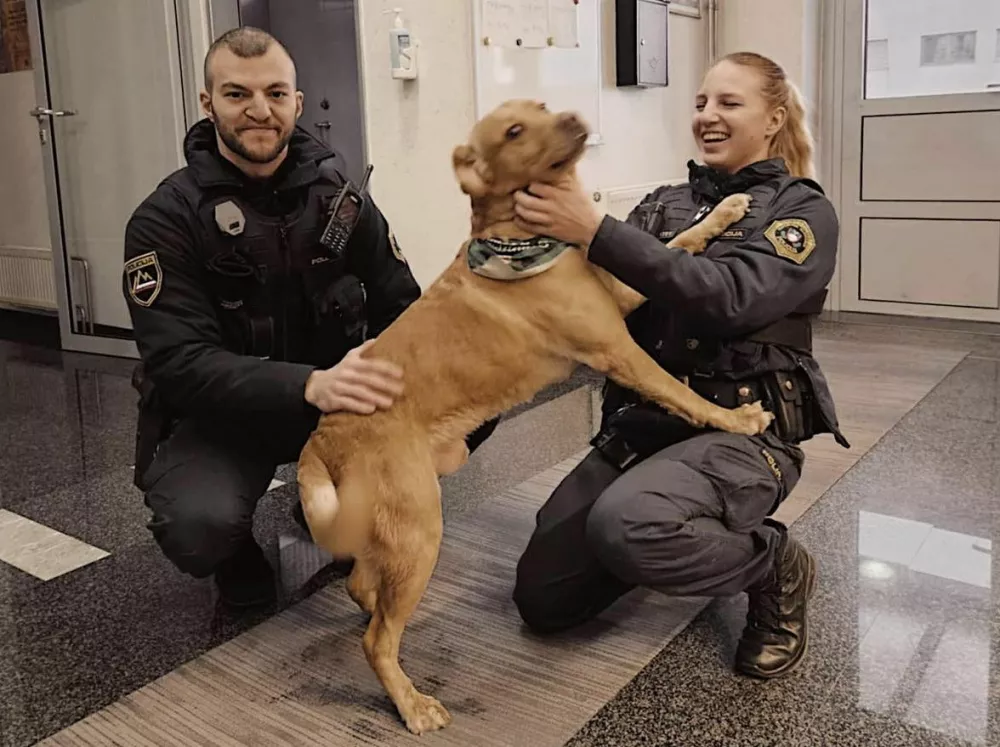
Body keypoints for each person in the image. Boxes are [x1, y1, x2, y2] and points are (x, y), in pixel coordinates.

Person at [122, 27, 496, 609]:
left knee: (474, 404)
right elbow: (180, 363)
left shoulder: (338, 196)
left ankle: (328, 505)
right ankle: (237, 552)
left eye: (275, 93)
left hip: (339, 406)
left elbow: (402, 303)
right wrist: (311, 384)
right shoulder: (165, 219)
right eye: (237, 95)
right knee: (199, 526)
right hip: (225, 414)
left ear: (297, 102)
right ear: (207, 104)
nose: (259, 111)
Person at [509, 51, 850, 679]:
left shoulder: (802, 211)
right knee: (544, 599)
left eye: (728, 103)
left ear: (774, 118)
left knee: (626, 523)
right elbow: (596, 301)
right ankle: (661, 533)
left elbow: (731, 299)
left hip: (743, 431)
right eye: (700, 103)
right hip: (646, 427)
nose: (707, 116)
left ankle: (772, 564)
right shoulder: (663, 204)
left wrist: (599, 230)